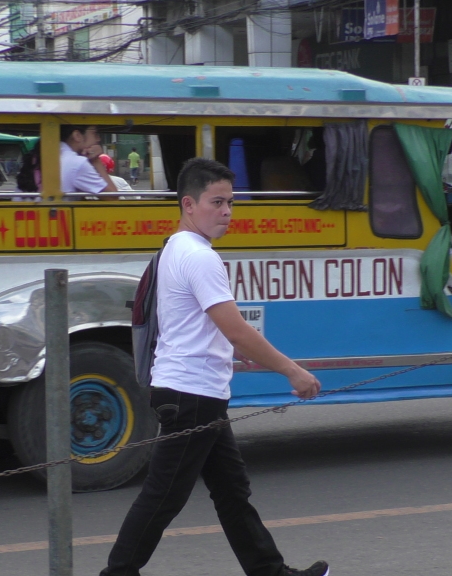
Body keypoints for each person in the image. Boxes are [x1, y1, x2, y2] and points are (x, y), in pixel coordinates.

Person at [100, 158, 329, 576]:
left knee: (231, 491)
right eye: (217, 202)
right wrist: (293, 371)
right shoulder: (200, 257)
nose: (227, 212)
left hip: (194, 391)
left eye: (231, 202)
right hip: (191, 394)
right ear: (189, 204)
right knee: (164, 496)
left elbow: (210, 330)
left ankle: (270, 572)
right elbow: (237, 332)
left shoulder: (174, 247)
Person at [61, 125, 118, 194]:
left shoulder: (55, 153)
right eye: (94, 133)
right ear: (77, 136)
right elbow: (112, 196)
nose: (98, 139)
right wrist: (96, 161)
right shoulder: (78, 163)